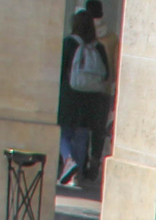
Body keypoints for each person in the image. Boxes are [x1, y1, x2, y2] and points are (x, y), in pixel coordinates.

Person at [57, 14, 111, 190]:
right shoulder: (98, 47)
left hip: (70, 94)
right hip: (91, 98)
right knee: (81, 134)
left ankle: (68, 160)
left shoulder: (68, 43)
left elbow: (60, 69)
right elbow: (106, 74)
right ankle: (77, 175)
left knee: (63, 132)